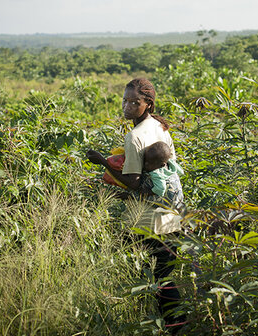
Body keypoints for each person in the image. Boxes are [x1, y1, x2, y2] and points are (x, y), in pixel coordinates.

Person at [86, 78, 186, 332]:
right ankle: (175, 324)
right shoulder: (160, 127)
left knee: (150, 275)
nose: (127, 107)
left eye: (134, 102)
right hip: (173, 212)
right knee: (166, 274)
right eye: (125, 101)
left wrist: (104, 163)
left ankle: (171, 326)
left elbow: (133, 182)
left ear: (148, 104)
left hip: (149, 220)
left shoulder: (134, 137)